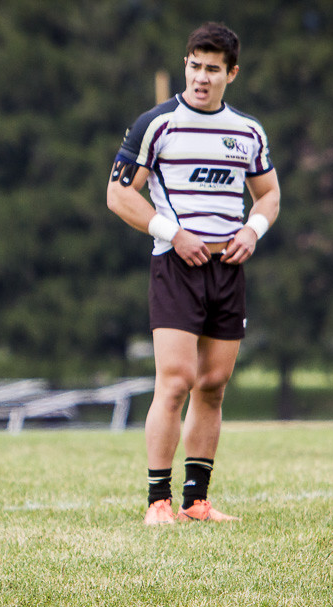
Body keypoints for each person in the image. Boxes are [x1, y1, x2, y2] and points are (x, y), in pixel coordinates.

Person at [106, 23, 280, 525]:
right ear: (186, 64)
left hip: (227, 269)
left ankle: (196, 501)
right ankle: (157, 502)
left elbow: (268, 194)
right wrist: (173, 232)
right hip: (176, 266)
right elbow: (119, 194)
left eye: (213, 69)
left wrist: (253, 229)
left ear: (232, 74)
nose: (201, 77)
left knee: (214, 384)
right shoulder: (156, 124)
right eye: (195, 66)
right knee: (176, 380)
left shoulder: (248, 131)